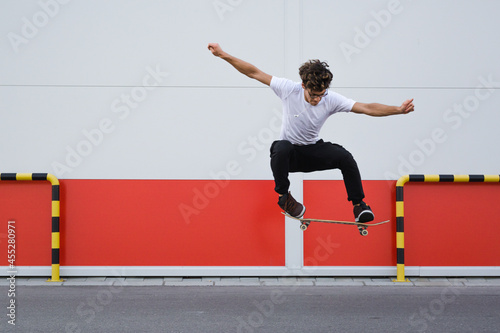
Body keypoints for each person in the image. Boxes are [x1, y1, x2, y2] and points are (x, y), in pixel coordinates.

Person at [207, 43, 414, 222]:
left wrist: (398, 110)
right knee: (280, 147)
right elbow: (253, 72)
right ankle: (284, 197)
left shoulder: (331, 99)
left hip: (313, 153)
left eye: (321, 95)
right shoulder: (289, 89)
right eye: (313, 95)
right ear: (303, 85)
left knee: (344, 156)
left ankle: (359, 206)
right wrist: (223, 54)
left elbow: (366, 108)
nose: (317, 100)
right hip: (290, 157)